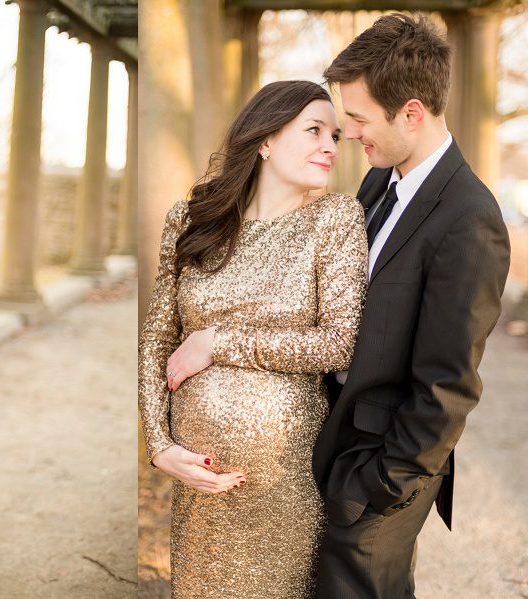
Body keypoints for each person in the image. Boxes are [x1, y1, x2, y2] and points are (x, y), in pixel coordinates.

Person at [139, 80, 368, 598]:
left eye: (335, 135)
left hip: (285, 479)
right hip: (199, 482)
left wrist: (219, 342)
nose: (331, 146)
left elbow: (339, 342)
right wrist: (159, 447)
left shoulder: (335, 220)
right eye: (314, 130)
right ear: (264, 138)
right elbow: (156, 340)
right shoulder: (190, 220)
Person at [310, 14, 510, 598]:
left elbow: (449, 387)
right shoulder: (378, 183)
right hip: (340, 439)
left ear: (412, 113)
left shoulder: (471, 222)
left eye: (359, 119)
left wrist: (381, 483)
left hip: (384, 465)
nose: (349, 133)